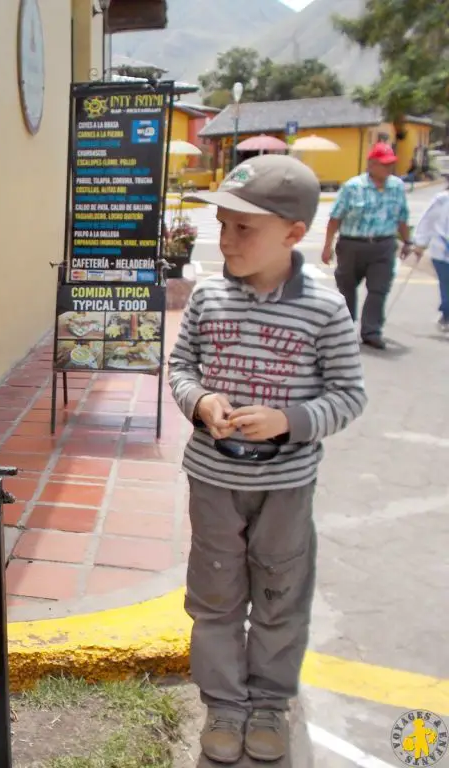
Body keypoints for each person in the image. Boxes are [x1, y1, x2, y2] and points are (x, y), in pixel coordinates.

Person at [171, 154, 368, 764]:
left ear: (293, 233)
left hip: (286, 487)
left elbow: (349, 395)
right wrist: (200, 400)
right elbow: (180, 370)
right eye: (224, 225)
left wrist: (288, 422)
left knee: (281, 596)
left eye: (243, 228)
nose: (226, 240)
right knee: (215, 597)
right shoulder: (207, 298)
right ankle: (224, 705)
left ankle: (269, 705)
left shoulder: (324, 308)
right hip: (212, 480)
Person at [321, 142, 413, 350]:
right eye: (384, 164)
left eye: (391, 165)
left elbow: (402, 218)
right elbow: (336, 217)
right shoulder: (353, 187)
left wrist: (407, 241)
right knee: (346, 287)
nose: (388, 169)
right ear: (371, 164)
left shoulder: (397, 187)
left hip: (383, 245)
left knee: (379, 289)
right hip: (352, 244)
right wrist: (327, 246)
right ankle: (344, 327)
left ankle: (371, 331)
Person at [412, 182, 449, 332]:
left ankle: (446, 313)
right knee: (446, 285)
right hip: (443, 252)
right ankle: (447, 314)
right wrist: (421, 243)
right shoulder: (442, 200)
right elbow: (427, 220)